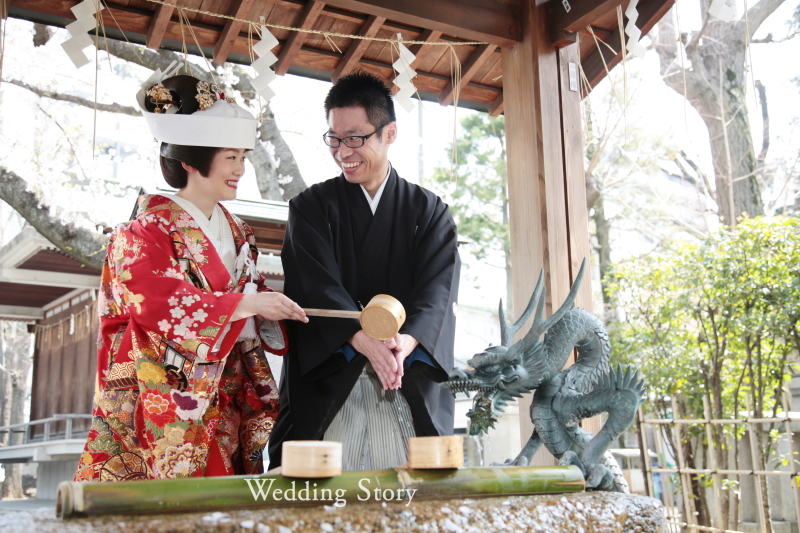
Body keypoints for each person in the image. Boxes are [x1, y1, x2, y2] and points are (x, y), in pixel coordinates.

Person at [74, 72, 307, 481]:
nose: (241, 169)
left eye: (243, 157)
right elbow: (159, 304)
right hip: (162, 388)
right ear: (190, 161)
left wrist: (267, 310)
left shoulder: (238, 231)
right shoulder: (144, 231)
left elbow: (246, 294)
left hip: (224, 389)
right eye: (231, 157)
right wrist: (247, 304)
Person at [268, 71, 460, 471]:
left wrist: (405, 343)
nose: (342, 152)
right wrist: (358, 338)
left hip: (401, 373)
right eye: (334, 138)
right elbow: (313, 286)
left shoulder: (430, 212)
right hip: (334, 374)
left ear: (389, 133)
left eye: (354, 138)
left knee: (407, 504)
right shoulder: (310, 208)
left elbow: (437, 295)